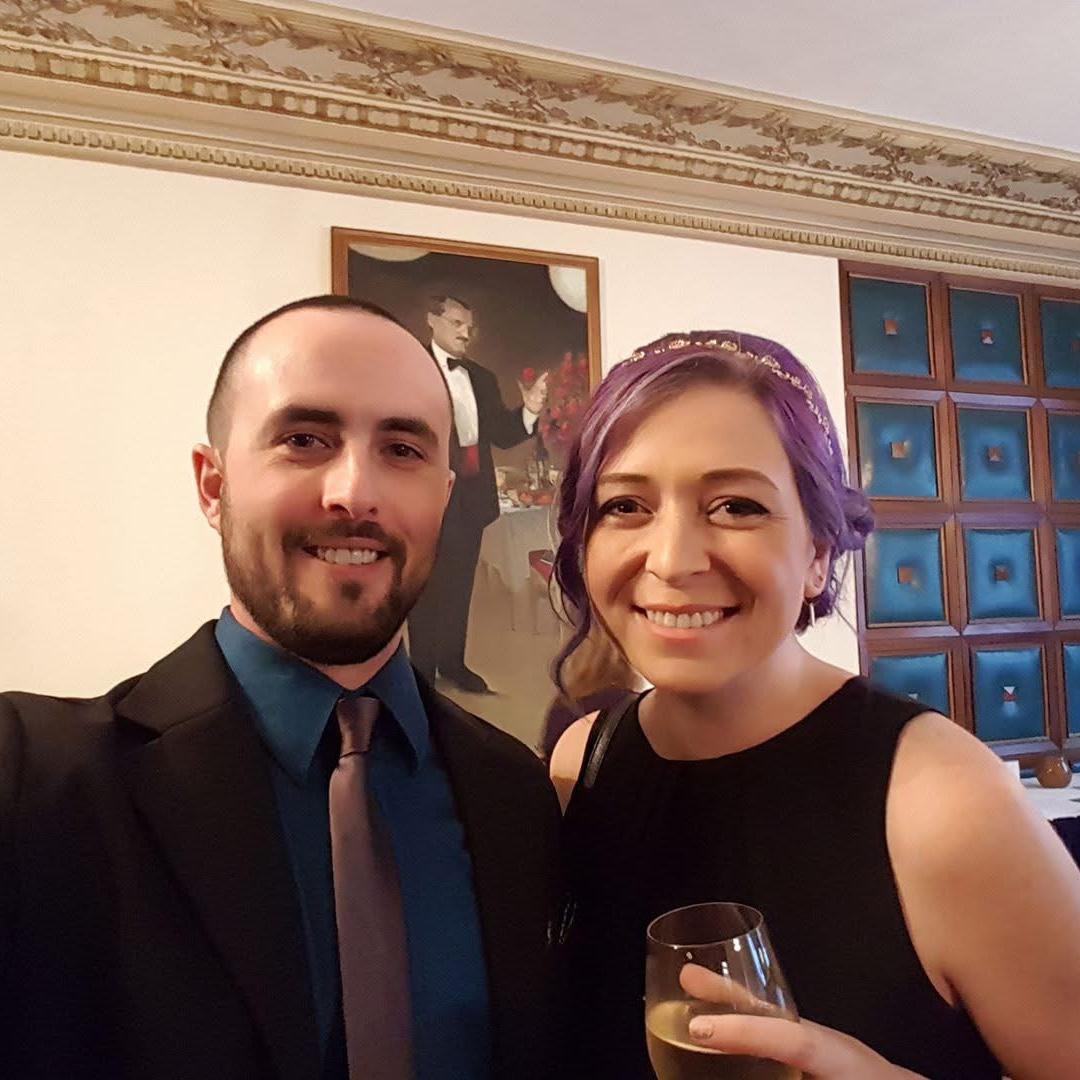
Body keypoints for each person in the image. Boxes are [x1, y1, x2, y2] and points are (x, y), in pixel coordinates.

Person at [0, 295, 564, 1080]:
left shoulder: (516, 795)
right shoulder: (31, 777)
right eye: (304, 440)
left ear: (442, 496)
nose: (354, 492)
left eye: (402, 449)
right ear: (212, 486)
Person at [549, 331, 1080, 1079]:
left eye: (735, 506)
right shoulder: (583, 761)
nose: (671, 560)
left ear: (819, 554)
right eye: (625, 505)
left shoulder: (943, 802)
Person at [407, 294, 549, 694]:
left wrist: (529, 409)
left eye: (469, 326)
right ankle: (421, 673)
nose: (466, 332)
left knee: (459, 586)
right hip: (427, 496)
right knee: (426, 587)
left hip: (471, 496)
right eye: (456, 323)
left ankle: (453, 664)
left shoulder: (482, 377)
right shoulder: (410, 369)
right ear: (432, 320)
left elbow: (502, 434)